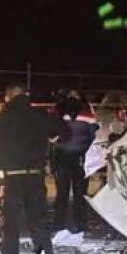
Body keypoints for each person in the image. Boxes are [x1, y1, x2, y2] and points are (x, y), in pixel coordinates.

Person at [0, 84, 67, 254]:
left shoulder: (1, 119)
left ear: (7, 97)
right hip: (35, 177)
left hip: (11, 178)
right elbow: (64, 131)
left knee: (10, 229)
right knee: (39, 226)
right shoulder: (38, 115)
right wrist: (52, 141)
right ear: (25, 96)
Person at [51, 95, 98, 245]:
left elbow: (51, 136)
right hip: (81, 159)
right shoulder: (88, 116)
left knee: (62, 195)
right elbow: (93, 136)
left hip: (61, 158)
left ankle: (59, 225)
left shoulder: (58, 115)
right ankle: (81, 225)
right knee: (80, 194)